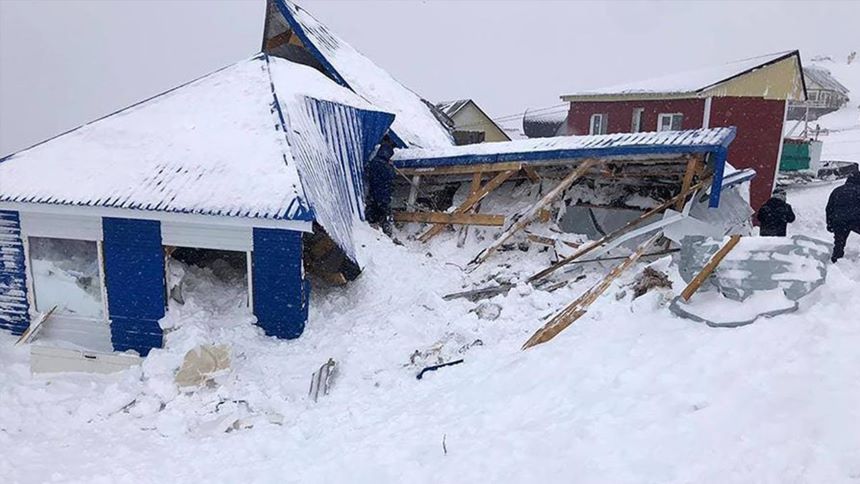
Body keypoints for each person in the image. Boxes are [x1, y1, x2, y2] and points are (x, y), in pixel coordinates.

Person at [826, 171, 860, 262]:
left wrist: (829, 223)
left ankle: (836, 259)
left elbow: (829, 208)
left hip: (839, 220)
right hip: (856, 220)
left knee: (839, 243)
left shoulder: (837, 190)